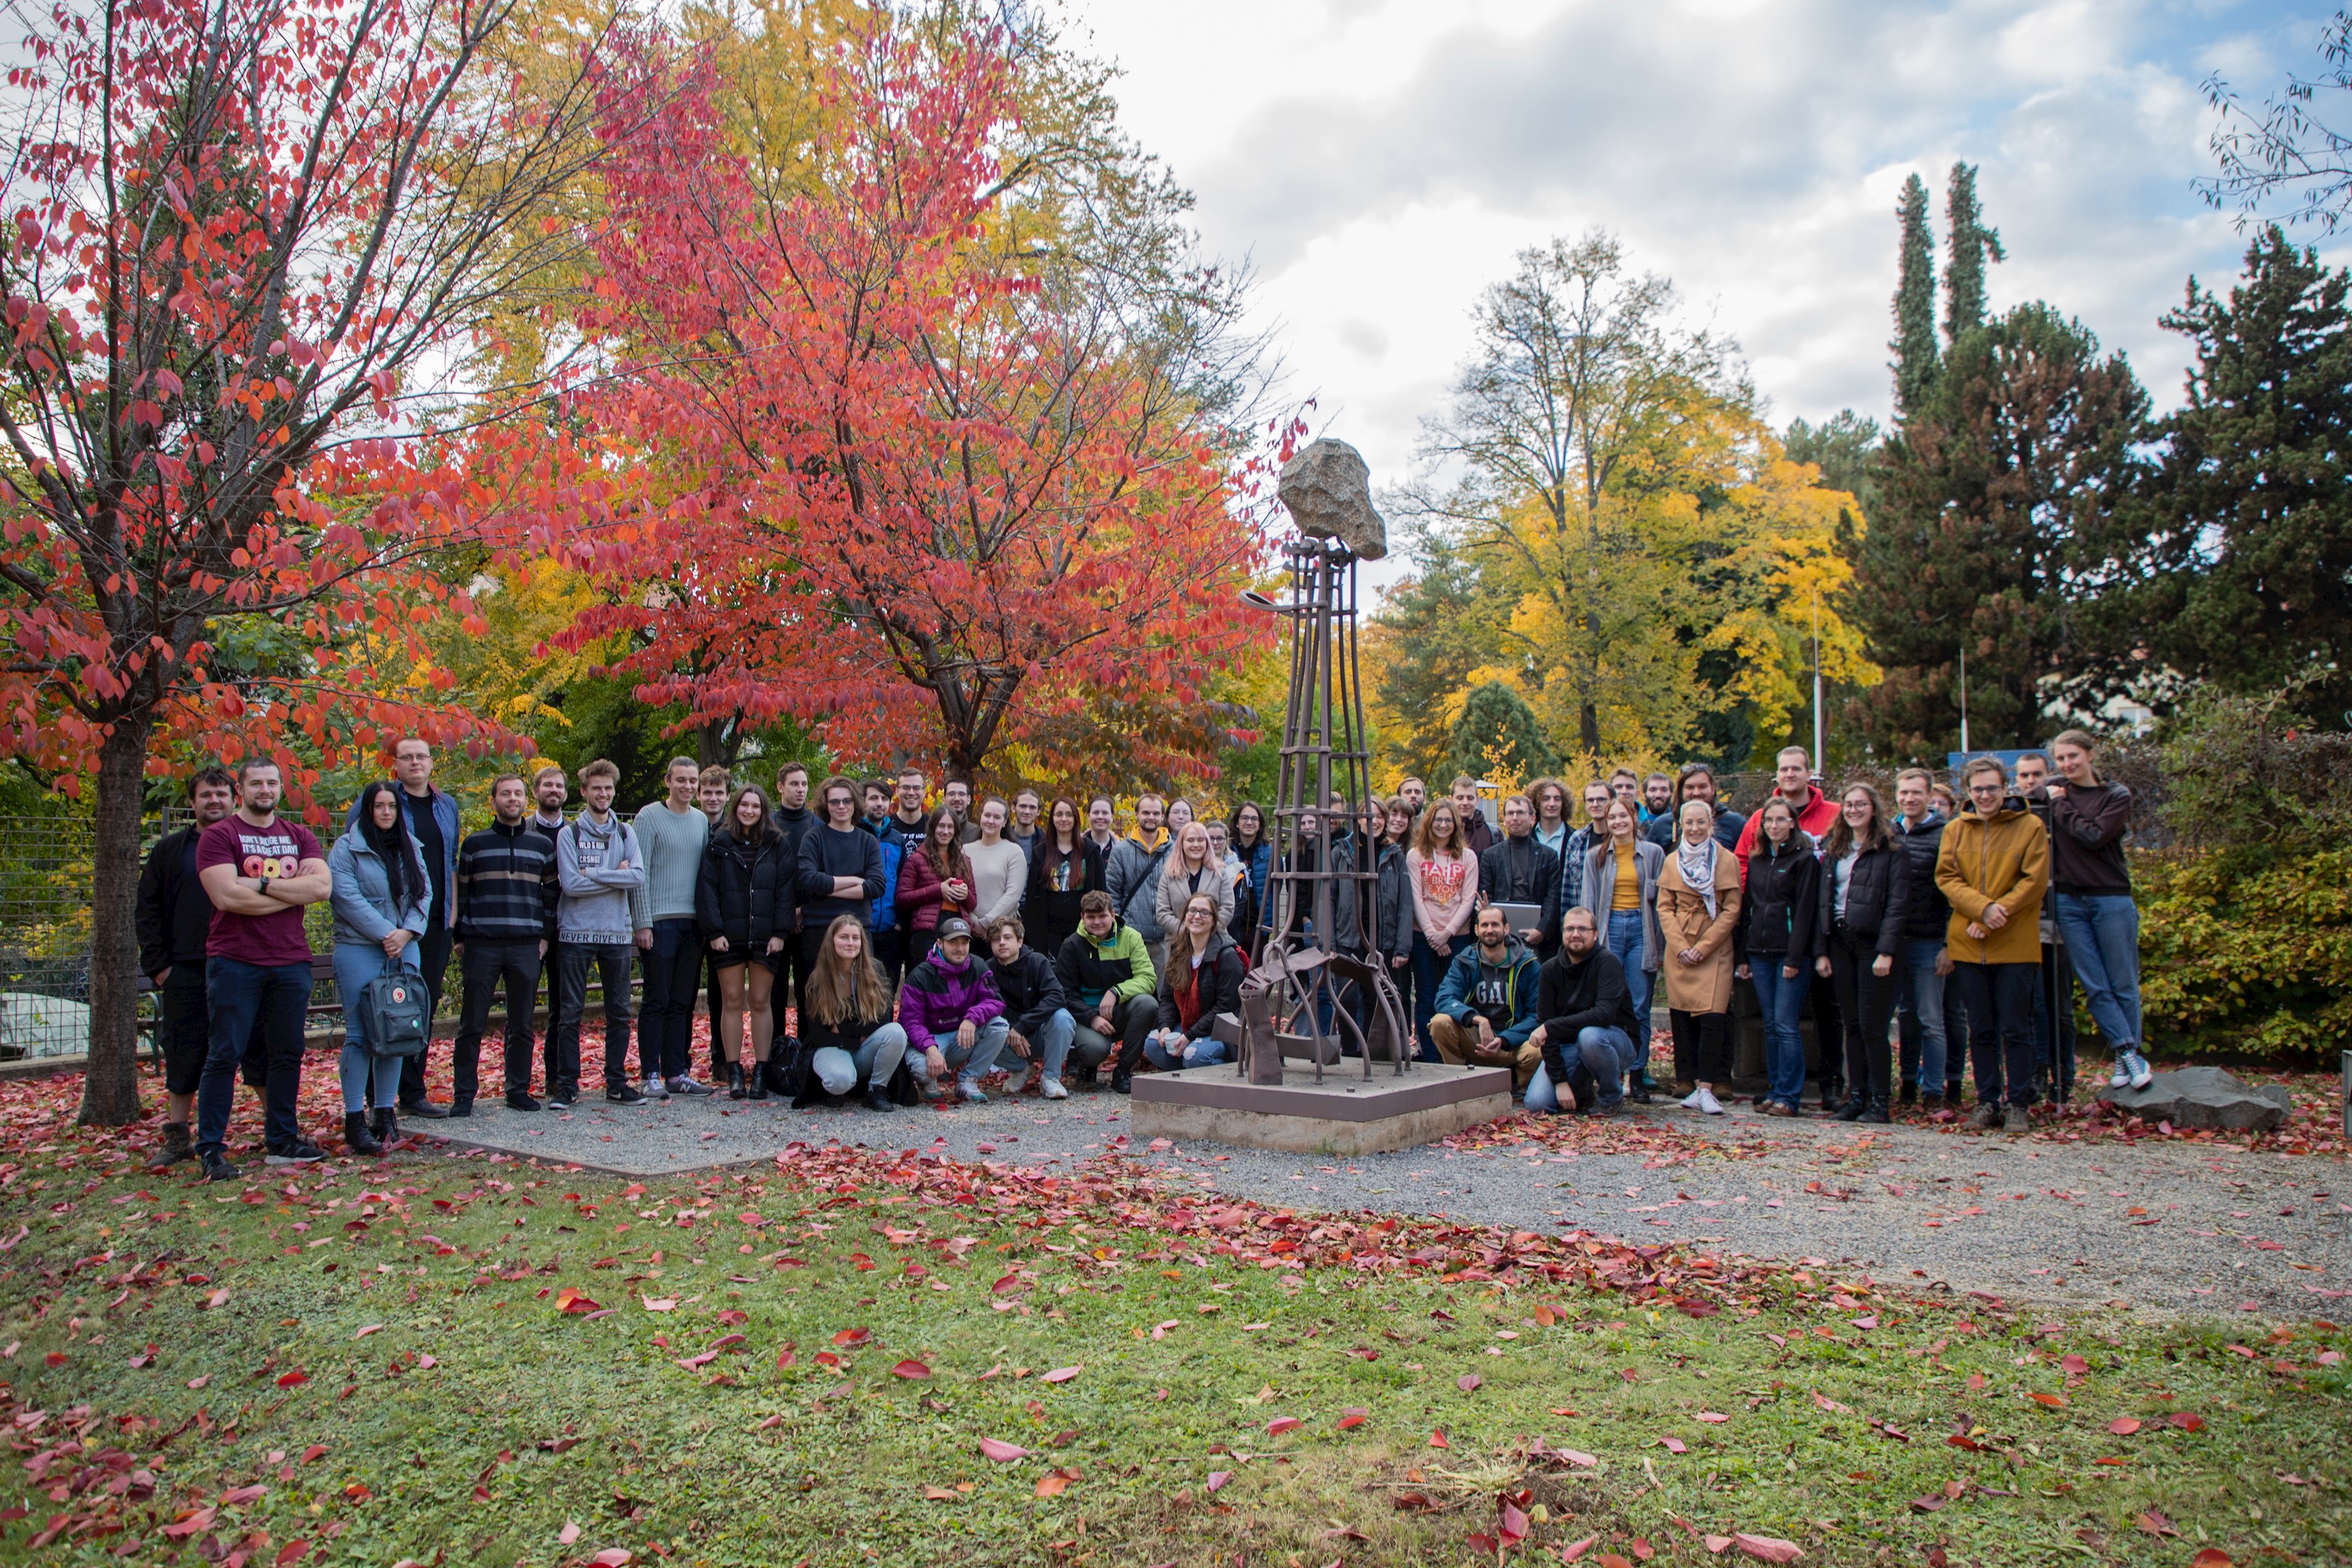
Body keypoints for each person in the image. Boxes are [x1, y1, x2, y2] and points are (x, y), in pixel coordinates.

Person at [194, 757, 332, 1178]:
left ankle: (283, 1140)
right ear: (241, 790)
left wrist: (262, 883)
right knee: (225, 1053)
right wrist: (292, 894)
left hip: (290, 961)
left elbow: (322, 888)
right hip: (235, 960)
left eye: (272, 783)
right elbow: (227, 899)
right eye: (256, 783)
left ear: (280, 787)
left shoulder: (299, 834)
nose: (265, 790)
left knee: (287, 1052)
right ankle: (211, 1149)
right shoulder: (219, 836)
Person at [343, 738, 461, 1119]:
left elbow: (449, 863)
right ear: (395, 764)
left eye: (421, 756)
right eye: (407, 757)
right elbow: (357, 854)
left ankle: (412, 1092)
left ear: (431, 761)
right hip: (385, 931)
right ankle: (376, 1099)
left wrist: (451, 914)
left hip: (432, 924)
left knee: (417, 1012)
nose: (415, 762)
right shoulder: (378, 801)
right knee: (379, 1010)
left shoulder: (447, 806)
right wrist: (388, 930)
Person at [1935, 756, 2051, 1135]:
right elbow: (1948, 878)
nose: (1985, 795)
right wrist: (1982, 910)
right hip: (1968, 942)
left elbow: (2033, 881)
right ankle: (1988, 1100)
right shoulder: (1955, 830)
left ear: (2006, 788)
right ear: (1967, 792)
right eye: (1978, 789)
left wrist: (1997, 914)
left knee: (2016, 1027)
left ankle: (2018, 1104)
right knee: (1980, 1027)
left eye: (1992, 788)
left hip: (2015, 942)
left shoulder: (2030, 826)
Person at [137, 766, 239, 1172]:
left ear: (235, 798)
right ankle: (178, 1136)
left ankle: (278, 1130)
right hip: (187, 969)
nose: (214, 801)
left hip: (240, 965)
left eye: (221, 794)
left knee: (256, 1048)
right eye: (205, 795)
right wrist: (161, 969)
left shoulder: (248, 845)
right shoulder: (170, 850)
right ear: (192, 802)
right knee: (183, 1052)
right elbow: (147, 910)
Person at [327, 781, 429, 1155]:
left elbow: (425, 894)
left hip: (404, 949)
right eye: (379, 806)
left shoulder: (411, 847)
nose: (386, 813)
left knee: (397, 1034)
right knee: (361, 1036)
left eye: (392, 807)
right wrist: (389, 933)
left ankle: (384, 1115)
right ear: (366, 810)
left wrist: (407, 934)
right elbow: (346, 897)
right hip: (360, 950)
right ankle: (355, 1120)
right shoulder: (346, 849)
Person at [450, 773, 559, 1114]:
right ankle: (464, 1095)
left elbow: (552, 896)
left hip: (526, 945)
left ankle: (517, 1089)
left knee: (522, 1024)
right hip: (482, 944)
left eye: (518, 794)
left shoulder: (542, 846)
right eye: (506, 794)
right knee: (472, 1024)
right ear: (494, 800)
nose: (513, 799)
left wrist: (544, 936)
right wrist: (460, 937)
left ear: (526, 800)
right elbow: (463, 893)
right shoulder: (475, 844)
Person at [2046, 730, 2149, 1090]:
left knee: (2123, 983)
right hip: (2068, 901)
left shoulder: (2114, 795)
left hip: (2111, 897)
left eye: (2073, 755)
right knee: (2094, 986)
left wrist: (2059, 804)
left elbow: (2094, 835)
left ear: (2091, 755)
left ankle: (2128, 1055)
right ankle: (2127, 1052)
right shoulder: (2052, 791)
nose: (2067, 764)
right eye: (2060, 758)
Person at [1813, 783, 1909, 1124]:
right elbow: (1824, 901)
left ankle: (1880, 1102)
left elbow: (1898, 905)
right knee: (1851, 1025)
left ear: (1874, 808)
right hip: (1840, 943)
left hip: (1874, 946)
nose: (1853, 810)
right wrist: (1822, 951)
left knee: (1872, 1027)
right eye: (1849, 805)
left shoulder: (1891, 849)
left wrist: (1886, 950)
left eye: (1861, 804)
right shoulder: (1835, 848)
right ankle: (1857, 1097)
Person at [555, 759, 649, 1106]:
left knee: (619, 1013)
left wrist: (593, 872)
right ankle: (567, 1085)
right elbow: (570, 885)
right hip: (576, 934)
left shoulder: (626, 833)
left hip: (616, 934)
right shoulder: (570, 833)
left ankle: (616, 1083)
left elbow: (637, 876)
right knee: (570, 1014)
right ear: (584, 791)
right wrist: (614, 874)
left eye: (608, 788)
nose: (603, 793)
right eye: (597, 788)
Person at [699, 783, 793, 1099]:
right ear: (735, 807)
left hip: (766, 938)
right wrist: (714, 931)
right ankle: (735, 1070)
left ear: (763, 809)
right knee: (732, 1001)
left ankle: (762, 1071)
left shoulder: (777, 844)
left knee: (761, 1002)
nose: (749, 810)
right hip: (729, 935)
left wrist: (781, 932)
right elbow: (708, 889)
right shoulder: (719, 843)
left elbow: (785, 891)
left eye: (755, 806)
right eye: (744, 805)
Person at [1657, 799, 1743, 1114]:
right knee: (1681, 1016)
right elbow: (1664, 906)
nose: (1695, 829)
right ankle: (1688, 1081)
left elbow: (1732, 908)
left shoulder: (1727, 860)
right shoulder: (1671, 861)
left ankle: (1708, 1086)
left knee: (1713, 1016)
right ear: (1681, 824)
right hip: (1679, 946)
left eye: (1701, 823)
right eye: (1689, 823)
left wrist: (1703, 947)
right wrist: (1680, 946)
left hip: (1713, 947)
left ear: (1711, 825)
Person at [1735, 796, 1818, 1116]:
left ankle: (1790, 1095)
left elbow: (1805, 914)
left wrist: (1795, 958)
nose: (1774, 826)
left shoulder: (1805, 860)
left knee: (1786, 1025)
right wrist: (1743, 955)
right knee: (1770, 1024)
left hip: (1789, 955)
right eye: (1769, 820)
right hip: (1759, 952)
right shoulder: (1757, 860)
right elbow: (1748, 909)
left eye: (1781, 820)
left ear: (1793, 823)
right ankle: (1773, 1089)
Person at [633, 756, 710, 1100]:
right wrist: (642, 922)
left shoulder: (701, 820)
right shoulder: (649, 817)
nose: (687, 786)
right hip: (658, 923)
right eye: (680, 780)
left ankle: (676, 1072)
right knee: (656, 1000)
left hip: (692, 923)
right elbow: (640, 874)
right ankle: (650, 1072)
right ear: (668, 782)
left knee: (682, 1001)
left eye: (692, 780)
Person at [1583, 798, 1663, 1100]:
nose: (1617, 822)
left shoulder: (1653, 854)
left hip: (1642, 930)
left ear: (1634, 818)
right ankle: (1611, 1070)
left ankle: (1639, 1073)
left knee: (1641, 1005)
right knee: (1610, 1003)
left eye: (1623, 816)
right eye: (1612, 817)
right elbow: (1588, 901)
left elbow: (1661, 901)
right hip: (1609, 928)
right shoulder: (1597, 856)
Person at [1524, 907, 1635, 1115]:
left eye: (1583, 929)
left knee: (1590, 1036)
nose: (1576, 934)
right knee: (1537, 1104)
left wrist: (1549, 1027)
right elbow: (1546, 1027)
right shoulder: (1549, 970)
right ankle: (1582, 1090)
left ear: (1595, 934)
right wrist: (1560, 1082)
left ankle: (1610, 1097)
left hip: (1613, 1041)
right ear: (1563, 933)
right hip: (1569, 1046)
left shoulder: (1607, 963)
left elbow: (1604, 1014)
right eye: (1570, 929)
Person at [1428, 902, 1543, 1090]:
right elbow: (1444, 997)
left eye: (1495, 925)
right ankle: (1459, 1081)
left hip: (1512, 1041)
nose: (1490, 930)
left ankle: (1517, 1087)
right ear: (1476, 930)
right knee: (1439, 1023)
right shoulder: (1465, 960)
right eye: (1484, 925)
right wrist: (1478, 1020)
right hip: (1476, 1038)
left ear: (1506, 929)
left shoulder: (1528, 964)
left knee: (1536, 1050)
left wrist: (1505, 1039)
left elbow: (1536, 1016)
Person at [1890, 768, 1953, 1109]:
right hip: (1895, 941)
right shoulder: (1889, 831)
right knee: (1905, 1018)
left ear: (1930, 796)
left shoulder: (1945, 833)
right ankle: (1907, 1085)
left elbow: (1952, 892)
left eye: (1916, 793)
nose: (1909, 798)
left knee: (1931, 1019)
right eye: (1904, 792)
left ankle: (1933, 1092)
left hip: (1930, 940)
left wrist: (1948, 944)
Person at [1055, 889, 1158, 1093]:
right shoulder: (1072, 945)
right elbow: (1064, 992)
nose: (1097, 922)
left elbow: (1148, 979)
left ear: (1113, 915)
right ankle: (1086, 1062)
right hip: (1086, 1016)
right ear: (1082, 918)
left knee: (1148, 1004)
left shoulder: (1131, 938)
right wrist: (1091, 1017)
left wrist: (1116, 991)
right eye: (1091, 917)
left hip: (1118, 1010)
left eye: (1102, 916)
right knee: (1095, 1050)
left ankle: (1123, 1070)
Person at [800, 914, 906, 1111]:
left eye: (855, 938)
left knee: (896, 1032)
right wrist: (858, 1035)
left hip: (860, 1050)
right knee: (839, 1081)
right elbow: (818, 1034)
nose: (850, 943)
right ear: (832, 941)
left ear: (862, 942)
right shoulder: (819, 978)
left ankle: (877, 1090)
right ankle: (837, 1088)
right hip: (833, 1050)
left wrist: (841, 1030)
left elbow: (882, 1020)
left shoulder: (875, 970)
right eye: (844, 937)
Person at [897, 916, 1007, 1102]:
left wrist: (972, 1018)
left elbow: (995, 1001)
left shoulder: (978, 965)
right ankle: (928, 1083)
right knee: (920, 1068)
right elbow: (910, 1021)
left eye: (965, 942)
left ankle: (967, 1081)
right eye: (953, 942)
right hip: (932, 1039)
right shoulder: (920, 976)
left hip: (961, 1037)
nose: (960, 948)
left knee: (999, 1026)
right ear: (940, 943)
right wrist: (930, 1048)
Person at [1405, 799, 1479, 1060]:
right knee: (1425, 996)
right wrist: (1433, 935)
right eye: (1438, 820)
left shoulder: (1468, 856)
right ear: (1429, 823)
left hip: (1457, 938)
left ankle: (1451, 1056)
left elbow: (1468, 899)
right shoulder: (1415, 855)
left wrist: (1446, 933)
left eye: (1448, 820)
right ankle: (1428, 1057)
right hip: (1423, 937)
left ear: (1456, 824)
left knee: (1453, 998)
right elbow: (1416, 898)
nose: (1443, 825)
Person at [1142, 893, 1246, 1070]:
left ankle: (1225, 1074)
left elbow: (1225, 1009)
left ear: (1214, 921)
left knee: (1195, 1056)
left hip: (1221, 1031)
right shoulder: (1179, 951)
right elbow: (1168, 998)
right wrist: (1166, 1027)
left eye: (1205, 913)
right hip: (1187, 1026)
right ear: (1185, 917)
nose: (1197, 917)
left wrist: (1190, 1036)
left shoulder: (1227, 956)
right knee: (1153, 1045)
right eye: (1192, 911)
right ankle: (1186, 1074)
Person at [796, 775, 886, 976]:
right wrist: (854, 881)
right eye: (834, 802)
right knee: (817, 999)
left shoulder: (868, 841)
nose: (841, 806)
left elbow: (876, 886)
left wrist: (827, 888)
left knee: (860, 998)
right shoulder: (813, 838)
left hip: (858, 929)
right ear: (825, 805)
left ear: (855, 803)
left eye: (847, 801)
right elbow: (810, 881)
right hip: (819, 927)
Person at [987, 915, 1077, 1098]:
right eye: (996, 939)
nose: (1002, 943)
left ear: (1020, 941)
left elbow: (1056, 997)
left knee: (1063, 1018)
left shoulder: (1037, 961)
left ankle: (1051, 1077)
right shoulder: (987, 970)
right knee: (984, 1028)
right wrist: (1013, 1029)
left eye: (1007, 937)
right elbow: (989, 1006)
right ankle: (1021, 1069)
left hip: (1041, 1034)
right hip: (1009, 1038)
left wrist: (1022, 1026)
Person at [528, 765, 576, 1095]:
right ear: (536, 791)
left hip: (566, 929)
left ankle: (555, 1078)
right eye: (548, 785)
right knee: (522, 1009)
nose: (554, 790)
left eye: (559, 786)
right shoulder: (522, 829)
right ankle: (515, 1081)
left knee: (563, 1007)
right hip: (529, 931)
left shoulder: (575, 834)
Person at [769, 762, 817, 1062]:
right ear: (780, 787)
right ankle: (774, 1057)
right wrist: (787, 913)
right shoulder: (769, 823)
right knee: (773, 994)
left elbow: (820, 874)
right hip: (775, 920)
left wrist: (803, 911)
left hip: (809, 920)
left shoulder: (817, 825)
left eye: (804, 784)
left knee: (807, 992)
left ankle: (805, 1057)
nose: (800, 790)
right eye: (794, 784)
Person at [1477, 793, 1561, 957]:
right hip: (1499, 934)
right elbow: (1485, 893)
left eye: (1520, 813)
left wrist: (1542, 930)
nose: (1515, 817)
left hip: (1538, 936)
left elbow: (1553, 896)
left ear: (1532, 818)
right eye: (1510, 813)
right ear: (1504, 819)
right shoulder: (1490, 855)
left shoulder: (1548, 855)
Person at [896, 806, 973, 974]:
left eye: (950, 827)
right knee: (926, 978)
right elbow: (902, 898)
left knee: (957, 979)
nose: (945, 831)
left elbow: (973, 904)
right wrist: (938, 890)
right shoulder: (917, 859)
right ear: (932, 828)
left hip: (958, 926)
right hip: (927, 928)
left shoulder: (964, 861)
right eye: (941, 826)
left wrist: (965, 895)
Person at [1026, 799, 1100, 960]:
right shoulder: (1041, 852)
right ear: (1052, 818)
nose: (1064, 819)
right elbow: (1032, 897)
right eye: (1059, 814)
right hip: (1048, 932)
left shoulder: (1090, 850)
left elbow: (1101, 890)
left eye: (1069, 815)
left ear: (1076, 819)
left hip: (1083, 930)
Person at [1155, 819, 1236, 943]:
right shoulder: (1169, 874)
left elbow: (1228, 907)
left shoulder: (1219, 872)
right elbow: (1163, 912)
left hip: (1213, 942)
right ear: (1181, 844)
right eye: (1190, 840)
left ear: (1207, 843)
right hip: (1178, 943)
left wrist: (1207, 931)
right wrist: (1188, 932)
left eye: (1200, 840)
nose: (1196, 845)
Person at [965, 798, 1029, 928]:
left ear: (1005, 822)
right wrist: (973, 921)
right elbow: (960, 890)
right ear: (980, 817)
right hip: (968, 929)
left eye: (997, 817)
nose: (990, 821)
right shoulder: (965, 851)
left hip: (1002, 930)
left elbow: (1013, 895)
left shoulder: (1014, 852)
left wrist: (986, 923)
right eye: (987, 815)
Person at [1561, 780, 1614, 912]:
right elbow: (1567, 889)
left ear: (1613, 802)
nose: (1595, 804)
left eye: (1601, 800)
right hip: (1583, 918)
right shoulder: (1576, 840)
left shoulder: (1622, 839)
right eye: (1590, 800)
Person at [1669, 764, 1745, 851]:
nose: (1696, 793)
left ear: (1713, 789)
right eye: (1690, 787)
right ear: (1681, 791)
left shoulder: (1735, 823)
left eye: (1703, 787)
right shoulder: (1663, 825)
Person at [1228, 802, 1272, 947]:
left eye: (1254, 819)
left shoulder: (1270, 853)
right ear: (1237, 823)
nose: (1249, 822)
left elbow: (1275, 888)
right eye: (1245, 818)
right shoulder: (1227, 851)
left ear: (1260, 824)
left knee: (1258, 968)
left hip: (1259, 926)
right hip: (1232, 925)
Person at [1448, 775, 1495, 856]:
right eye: (1460, 798)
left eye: (1470, 798)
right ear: (1451, 800)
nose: (1465, 803)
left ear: (1477, 800)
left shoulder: (1493, 834)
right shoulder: (1442, 831)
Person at [886, 769, 932, 846]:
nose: (911, 793)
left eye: (916, 788)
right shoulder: (886, 827)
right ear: (897, 791)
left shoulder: (933, 826)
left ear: (924, 793)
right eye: (906, 787)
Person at [1529, 778, 1572, 860]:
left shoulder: (1576, 838)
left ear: (1563, 804)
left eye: (1557, 799)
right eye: (1546, 798)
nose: (1552, 804)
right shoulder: (1527, 838)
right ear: (1537, 803)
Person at [1638, 772, 1676, 839]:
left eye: (1664, 790)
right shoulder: (1636, 822)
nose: (1658, 795)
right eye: (1653, 790)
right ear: (1644, 795)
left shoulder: (1679, 822)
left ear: (1671, 794)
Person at [1010, 789, 1044, 861]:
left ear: (1038, 812)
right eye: (1023, 806)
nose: (1027, 812)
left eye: (1032, 808)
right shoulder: (1002, 840)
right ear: (1013, 808)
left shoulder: (1047, 843)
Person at [943, 778, 976, 842]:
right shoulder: (935, 830)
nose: (957, 799)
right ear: (944, 799)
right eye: (952, 794)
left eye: (961, 794)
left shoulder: (977, 833)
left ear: (969, 799)